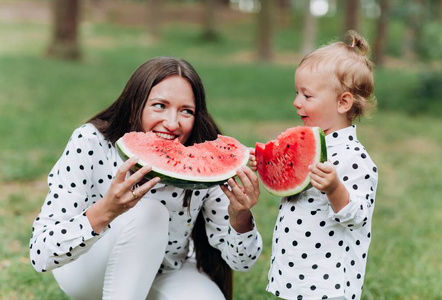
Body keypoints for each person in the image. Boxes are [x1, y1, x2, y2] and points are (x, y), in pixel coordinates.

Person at [30, 56, 263, 300]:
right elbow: (40, 254)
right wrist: (106, 211)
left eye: (186, 111)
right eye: (159, 106)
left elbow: (242, 262)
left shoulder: (206, 159)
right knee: (150, 212)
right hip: (89, 269)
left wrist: (240, 216)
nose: (172, 123)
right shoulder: (90, 142)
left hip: (168, 269)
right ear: (134, 107)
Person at [250, 31, 378, 300]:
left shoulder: (354, 158)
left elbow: (360, 216)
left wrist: (334, 189)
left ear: (343, 102)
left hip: (327, 283)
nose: (297, 102)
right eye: (296, 93)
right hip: (293, 271)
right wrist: (265, 162)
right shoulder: (308, 144)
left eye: (307, 96)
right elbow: (290, 184)